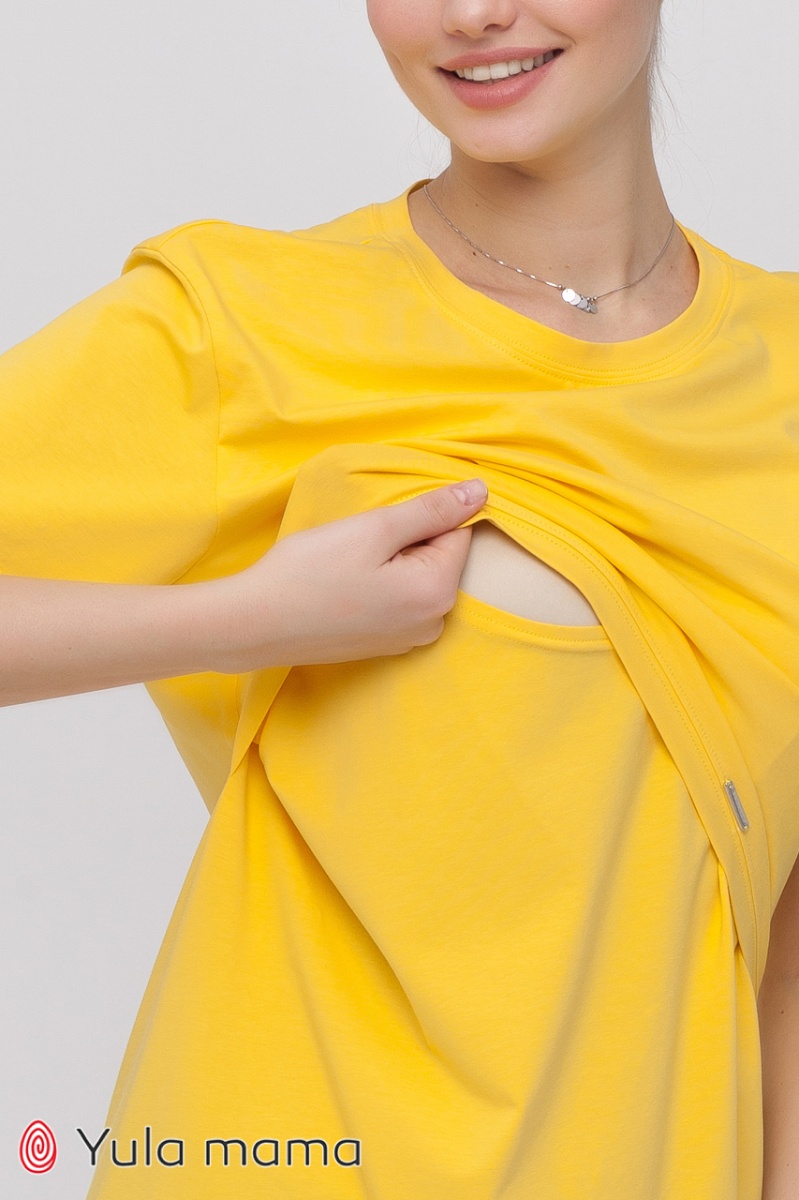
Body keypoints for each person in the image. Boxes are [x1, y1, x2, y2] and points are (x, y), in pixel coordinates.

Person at [2, 1, 799, 1197]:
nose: (471, 13)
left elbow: (775, 911)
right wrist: (254, 618)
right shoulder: (248, 325)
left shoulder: (782, 369)